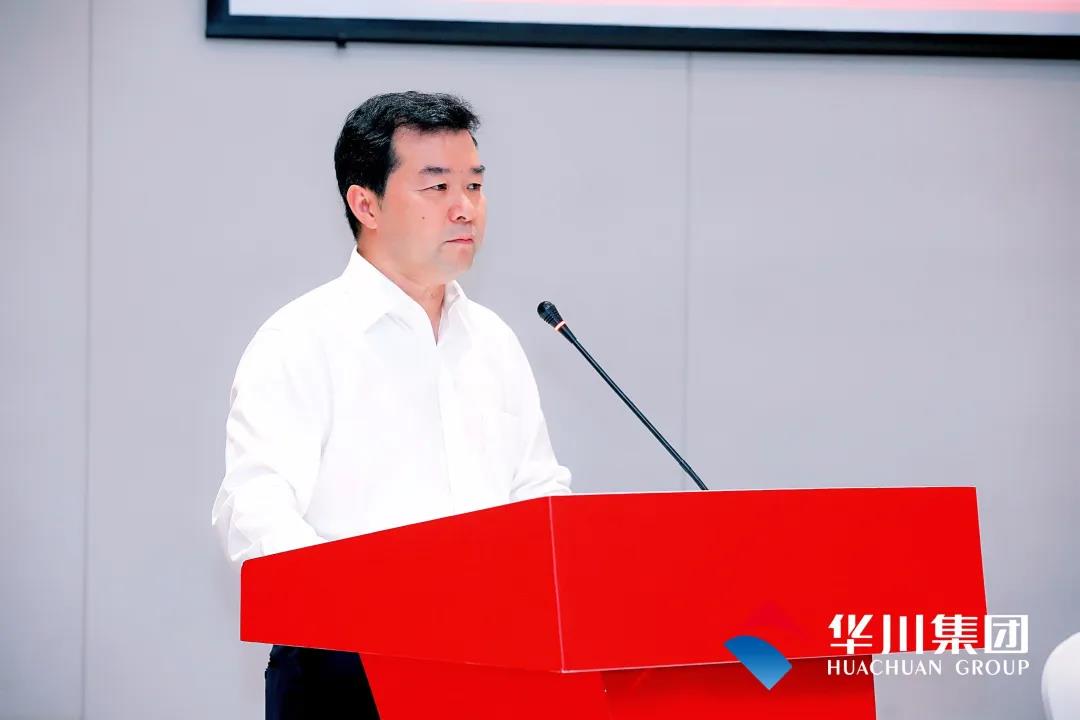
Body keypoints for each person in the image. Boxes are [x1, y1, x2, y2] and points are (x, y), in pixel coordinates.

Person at [211, 91, 572, 719]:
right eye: (438, 187)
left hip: (497, 666)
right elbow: (254, 509)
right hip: (349, 672)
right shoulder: (300, 339)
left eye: (475, 185)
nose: (465, 208)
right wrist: (364, 605)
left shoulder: (494, 342)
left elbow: (537, 495)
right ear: (366, 204)